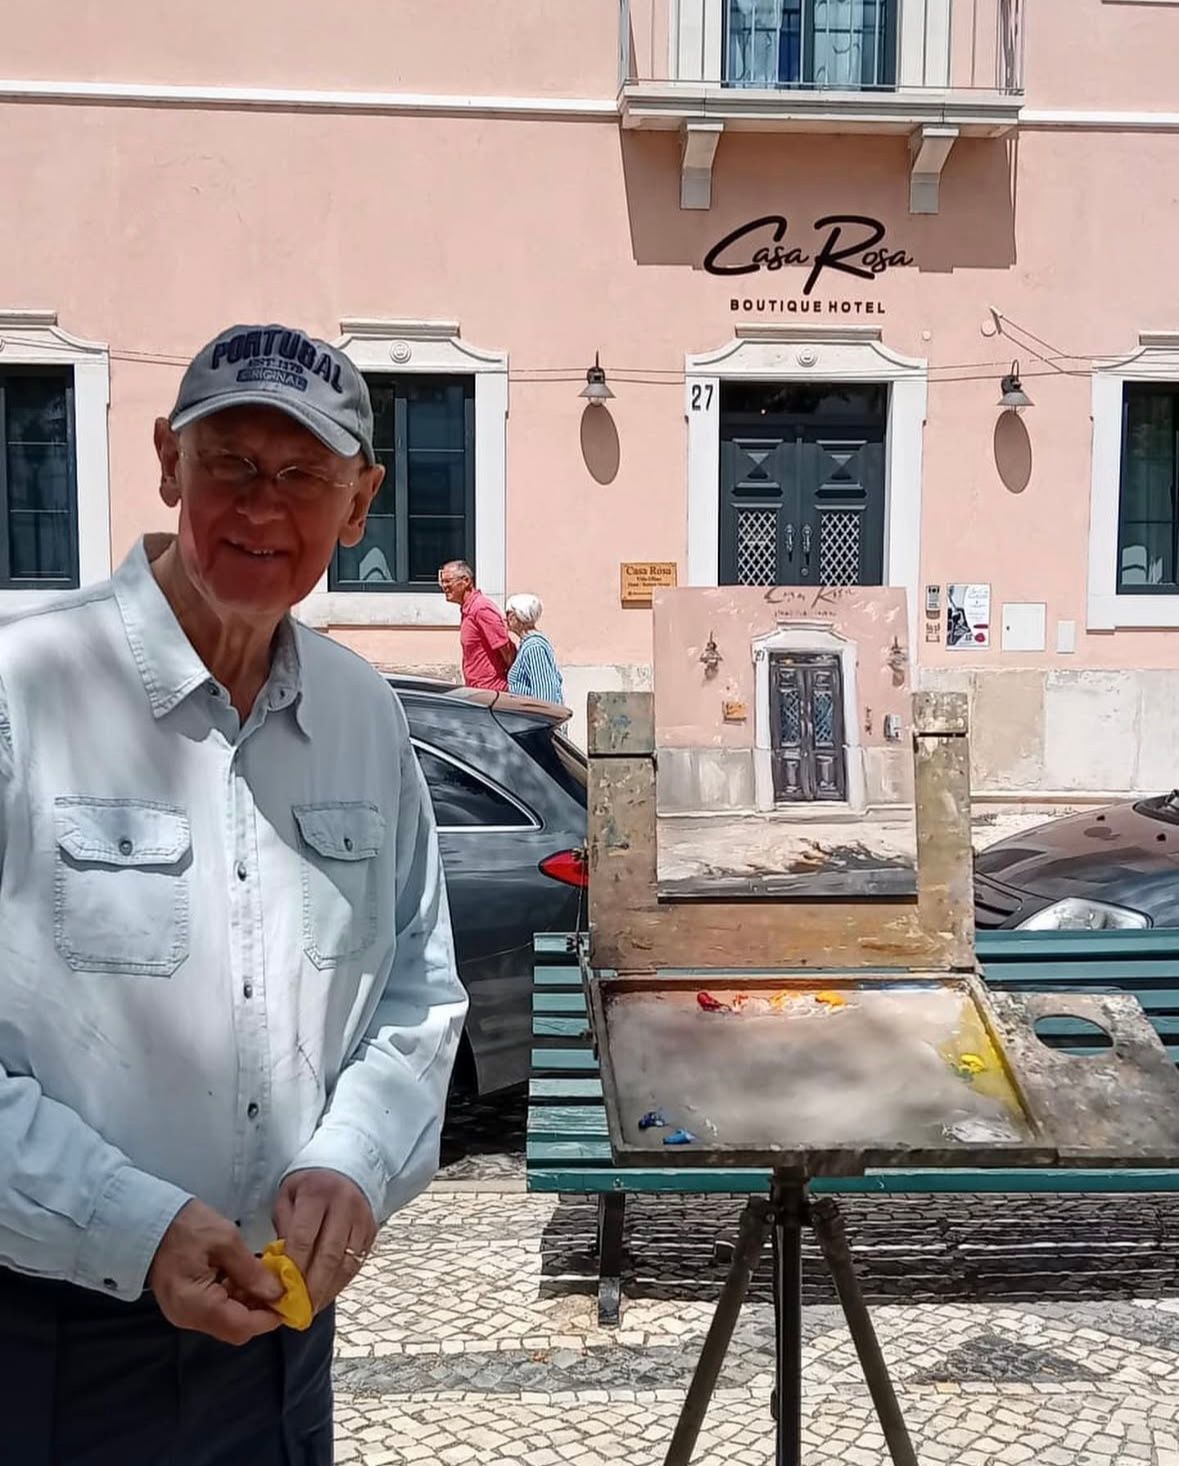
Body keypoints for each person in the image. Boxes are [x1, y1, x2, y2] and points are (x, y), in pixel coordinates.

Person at [0, 322, 468, 1465]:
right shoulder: (21, 691)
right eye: (232, 463)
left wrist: (354, 1157)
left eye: (303, 473)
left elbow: (414, 988)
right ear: (168, 461)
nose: (263, 506)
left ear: (359, 505)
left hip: (281, 1348)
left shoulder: (364, 715)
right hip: (47, 1344)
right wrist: (130, 1223)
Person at [439, 559, 515, 691]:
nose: (444, 586)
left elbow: (505, 648)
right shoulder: (468, 609)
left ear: (466, 581)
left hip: (491, 691)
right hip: (477, 690)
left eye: (448, 581)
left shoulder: (481, 609)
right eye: (442, 582)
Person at [506, 593, 565, 706]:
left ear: (518, 616)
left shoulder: (534, 647)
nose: (506, 618)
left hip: (536, 716)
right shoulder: (528, 644)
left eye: (509, 613)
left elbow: (545, 694)